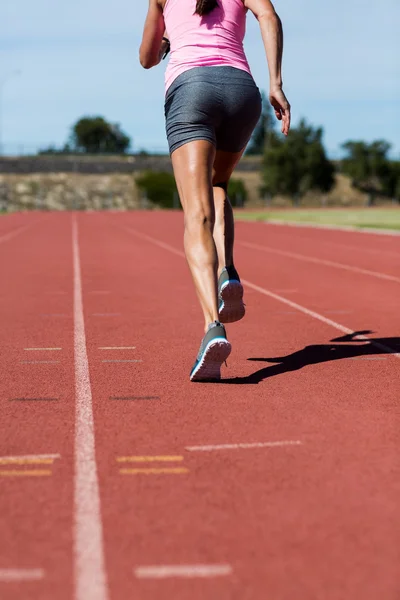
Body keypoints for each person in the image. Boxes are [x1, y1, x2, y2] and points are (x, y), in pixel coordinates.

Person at [140, 0, 291, 382]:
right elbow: (269, 16)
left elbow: (146, 57)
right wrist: (275, 83)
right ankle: (228, 270)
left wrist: (166, 42)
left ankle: (212, 326)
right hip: (241, 91)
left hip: (191, 89)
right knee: (218, 182)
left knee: (196, 213)